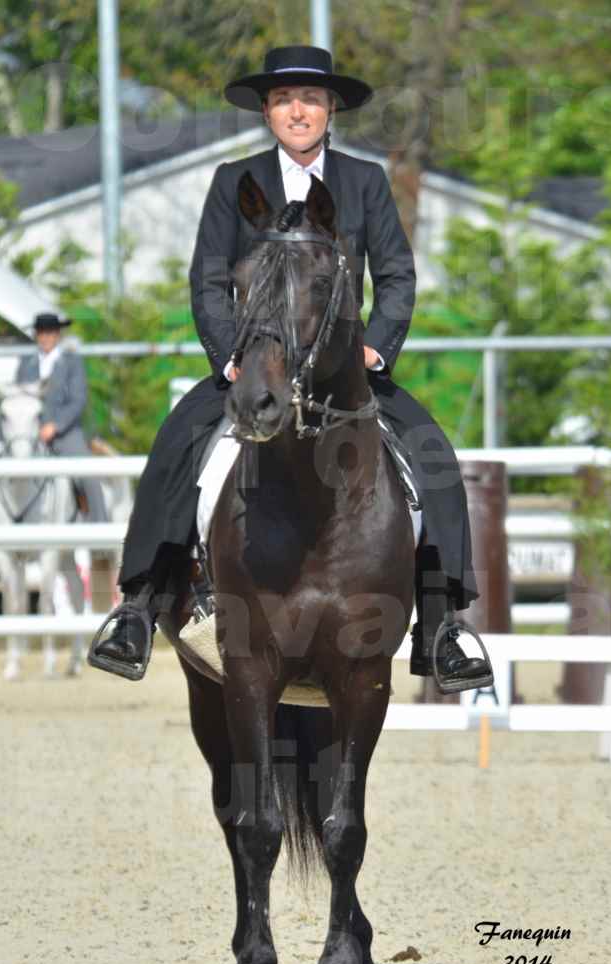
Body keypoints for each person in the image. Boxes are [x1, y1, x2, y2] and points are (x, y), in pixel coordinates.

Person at [90, 45, 491, 691]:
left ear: (331, 107)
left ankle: (443, 625)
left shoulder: (365, 180)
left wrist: (376, 349)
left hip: (344, 370)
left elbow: (394, 277)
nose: (297, 110)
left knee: (433, 455)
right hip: (258, 365)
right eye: (283, 100)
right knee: (174, 445)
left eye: (309, 98)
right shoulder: (235, 181)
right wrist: (231, 357)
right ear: (268, 112)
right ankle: (138, 605)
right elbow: (208, 280)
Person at [17, 313, 108, 522]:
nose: (46, 337)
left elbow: (78, 399)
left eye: (50, 333)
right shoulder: (26, 363)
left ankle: (101, 530)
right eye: (42, 333)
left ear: (57, 335)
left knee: (89, 476)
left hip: (65, 433)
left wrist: (55, 426)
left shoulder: (72, 361)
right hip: (30, 432)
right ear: (36, 335)